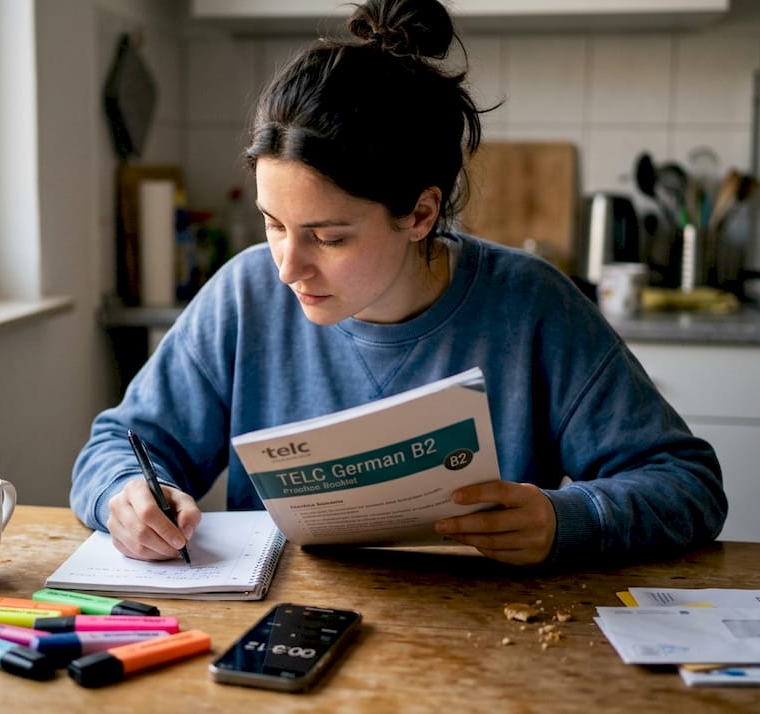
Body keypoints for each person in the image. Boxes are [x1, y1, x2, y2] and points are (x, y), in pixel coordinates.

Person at [72, 0, 726, 567]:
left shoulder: (533, 306)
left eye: (328, 236)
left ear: (420, 213)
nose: (287, 266)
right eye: (273, 225)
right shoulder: (245, 296)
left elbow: (689, 484)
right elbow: (117, 448)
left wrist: (564, 520)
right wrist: (125, 495)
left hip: (491, 643)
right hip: (287, 641)